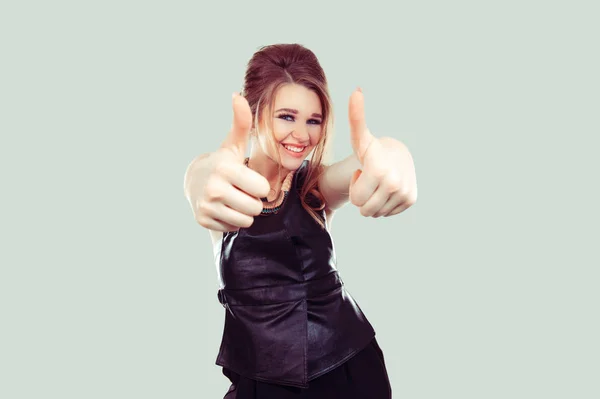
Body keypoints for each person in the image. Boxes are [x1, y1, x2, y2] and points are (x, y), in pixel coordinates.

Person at [183, 43, 417, 398]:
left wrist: (395, 156)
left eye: (314, 120)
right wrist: (196, 177)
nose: (302, 135)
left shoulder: (315, 187)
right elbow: (202, 178)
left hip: (351, 371)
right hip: (261, 380)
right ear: (254, 112)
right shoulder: (224, 189)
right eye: (287, 116)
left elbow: (362, 167)